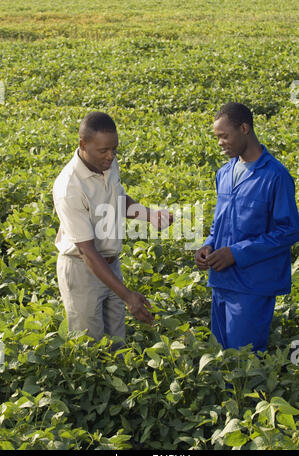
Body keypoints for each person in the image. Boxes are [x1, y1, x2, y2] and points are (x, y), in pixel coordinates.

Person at [53, 111, 173, 347]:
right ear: (83, 145)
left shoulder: (107, 162)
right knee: (90, 345)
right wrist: (128, 296)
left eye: (114, 150)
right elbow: (87, 251)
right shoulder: (69, 186)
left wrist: (149, 215)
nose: (110, 156)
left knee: (117, 341)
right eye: (103, 151)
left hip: (110, 262)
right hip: (82, 269)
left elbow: (118, 198)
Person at [195, 102, 299, 353]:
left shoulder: (275, 175)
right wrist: (209, 245)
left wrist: (236, 252)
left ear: (244, 128)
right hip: (221, 282)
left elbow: (289, 231)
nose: (220, 142)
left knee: (243, 364)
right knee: (221, 361)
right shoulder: (224, 173)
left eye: (224, 136)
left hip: (252, 286)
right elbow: (220, 223)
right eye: (217, 137)